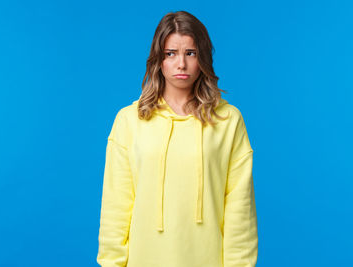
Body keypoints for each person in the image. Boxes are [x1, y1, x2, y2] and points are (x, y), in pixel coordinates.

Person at [96, 10, 258, 267]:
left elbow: (240, 208)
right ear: (158, 60)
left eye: (190, 53)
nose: (181, 64)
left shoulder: (228, 120)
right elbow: (116, 205)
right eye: (171, 54)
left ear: (202, 58)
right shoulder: (129, 121)